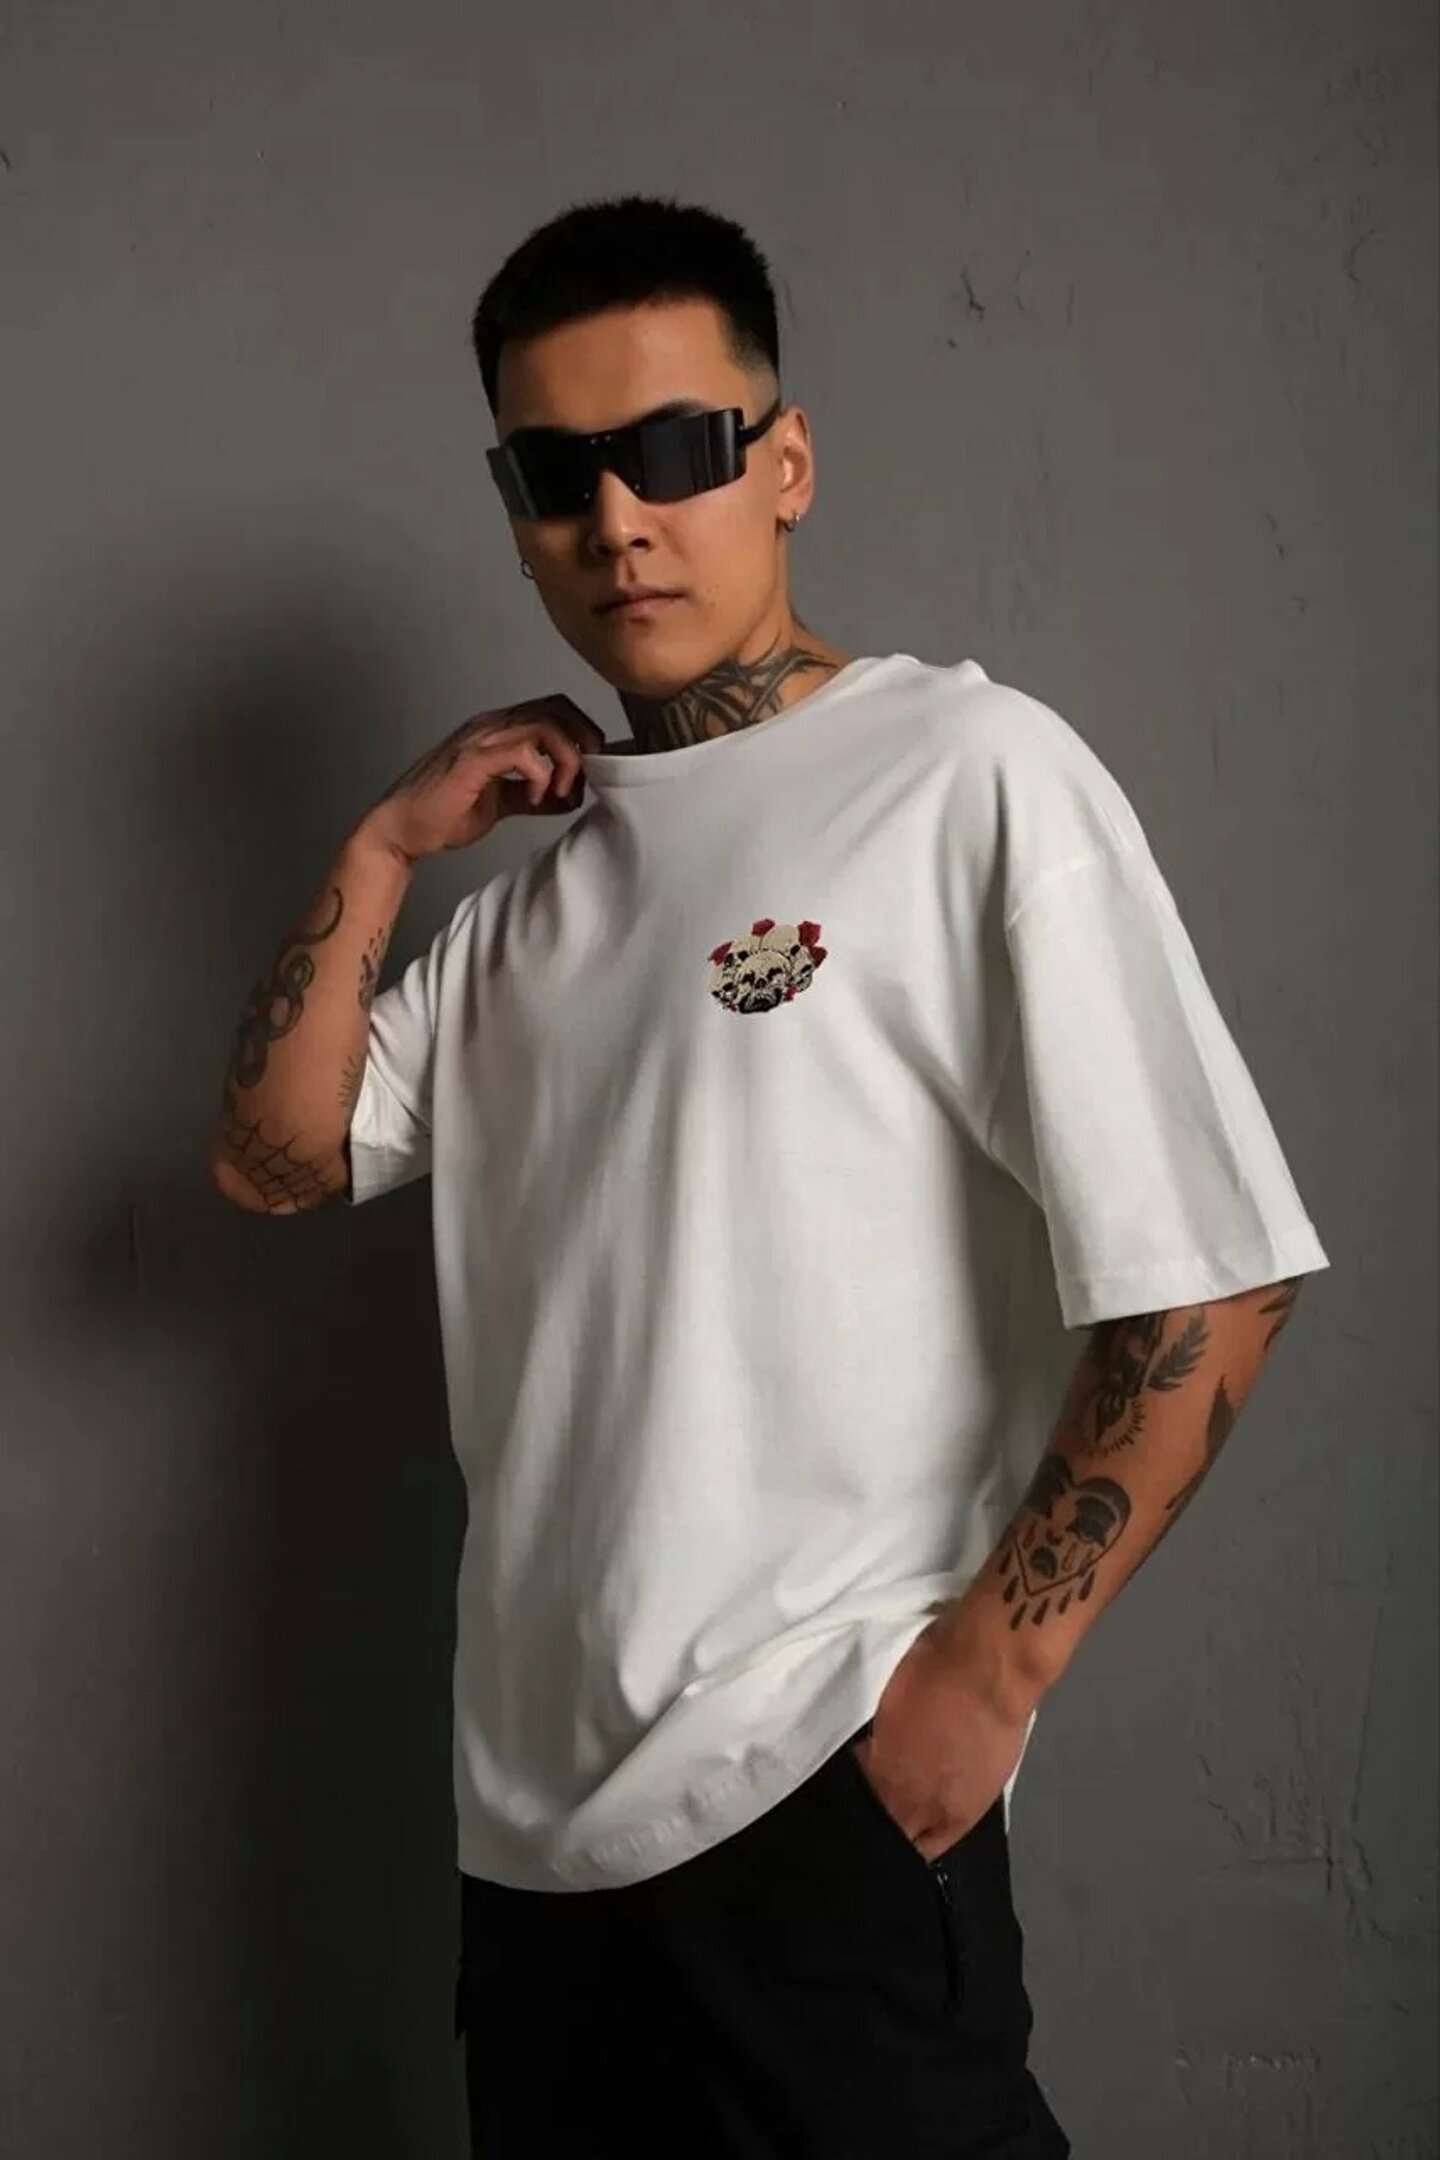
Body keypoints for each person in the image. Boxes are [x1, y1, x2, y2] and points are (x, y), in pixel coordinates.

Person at [209, 195, 1331, 2157]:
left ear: (784, 462)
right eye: (557, 474)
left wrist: (987, 1680)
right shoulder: (524, 918)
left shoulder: (968, 773)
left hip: (820, 1807)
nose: (619, 520)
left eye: (675, 449)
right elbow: (273, 1162)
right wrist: (384, 851)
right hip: (535, 1866)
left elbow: (1214, 1274)